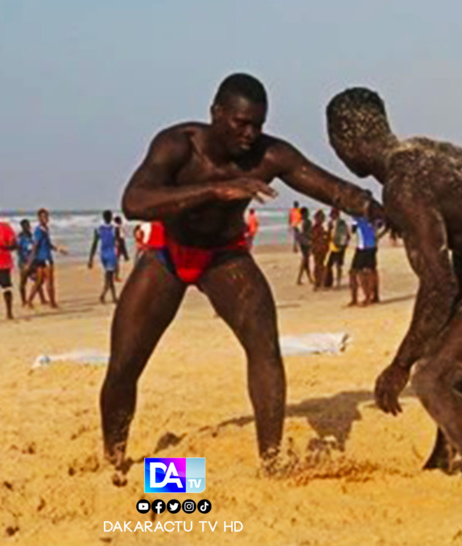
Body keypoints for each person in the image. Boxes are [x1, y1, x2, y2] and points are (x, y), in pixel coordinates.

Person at [101, 73, 383, 486]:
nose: (250, 134)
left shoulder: (270, 156)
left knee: (265, 347)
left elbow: (330, 188)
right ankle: (113, 458)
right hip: (167, 253)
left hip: (224, 258)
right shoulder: (178, 144)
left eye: (258, 124)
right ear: (216, 113)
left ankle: (271, 461)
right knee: (125, 364)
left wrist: (377, 207)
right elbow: (134, 202)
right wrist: (216, 190)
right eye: (240, 123)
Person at [327, 86, 462, 471]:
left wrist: (399, 365)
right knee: (444, 355)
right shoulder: (425, 151)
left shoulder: (403, 187)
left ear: (346, 139)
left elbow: (439, 285)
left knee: (431, 378)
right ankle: (443, 454)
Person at [26, 208, 67, 309]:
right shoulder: (39, 231)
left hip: (43, 257)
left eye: (47, 216)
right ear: (39, 218)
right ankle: (52, 303)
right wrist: (30, 262)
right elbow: (35, 246)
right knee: (49, 281)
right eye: (43, 217)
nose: (46, 219)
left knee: (39, 281)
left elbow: (47, 244)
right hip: (45, 259)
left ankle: (29, 301)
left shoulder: (45, 229)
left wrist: (58, 249)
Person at [88, 210, 118, 304]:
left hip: (103, 254)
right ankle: (103, 296)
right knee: (109, 276)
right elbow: (119, 243)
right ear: (111, 217)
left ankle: (113, 297)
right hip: (110, 254)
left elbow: (94, 244)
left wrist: (91, 258)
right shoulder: (114, 229)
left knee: (108, 276)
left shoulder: (99, 229)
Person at [348, 215, 379, 306]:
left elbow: (353, 230)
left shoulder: (357, 218)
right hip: (369, 246)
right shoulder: (373, 216)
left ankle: (366, 297)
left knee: (361, 273)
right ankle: (371, 296)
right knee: (369, 272)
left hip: (363, 247)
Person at [16, 219, 47, 306]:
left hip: (33, 262)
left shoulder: (32, 236)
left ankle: (42, 299)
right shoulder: (20, 237)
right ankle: (23, 301)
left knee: (39, 280)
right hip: (24, 263)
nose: (27, 227)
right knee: (23, 282)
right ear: (22, 227)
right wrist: (24, 263)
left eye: (28, 225)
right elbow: (18, 251)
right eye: (25, 226)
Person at [323, 207, 350, 288]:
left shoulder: (341, 223)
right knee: (329, 265)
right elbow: (329, 234)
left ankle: (338, 281)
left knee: (338, 265)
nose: (332, 216)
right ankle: (329, 281)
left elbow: (346, 234)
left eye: (333, 214)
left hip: (339, 246)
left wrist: (344, 244)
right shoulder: (331, 223)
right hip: (332, 246)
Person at [310, 209, 329, 290]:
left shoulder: (319, 227)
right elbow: (313, 238)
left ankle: (319, 282)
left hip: (321, 248)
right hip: (319, 248)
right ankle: (318, 282)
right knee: (318, 265)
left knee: (319, 265)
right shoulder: (317, 228)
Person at [296, 207, 313, 285]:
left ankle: (308, 278)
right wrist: (311, 238)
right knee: (305, 260)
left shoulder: (300, 222)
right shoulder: (306, 222)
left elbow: (298, 234)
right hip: (306, 242)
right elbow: (305, 232)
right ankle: (300, 278)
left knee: (306, 260)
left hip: (302, 242)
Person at [113, 215, 130, 281]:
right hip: (119, 245)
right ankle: (116, 276)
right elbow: (119, 239)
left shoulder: (118, 228)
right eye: (120, 220)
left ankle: (116, 276)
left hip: (119, 245)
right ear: (119, 221)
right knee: (117, 261)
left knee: (117, 261)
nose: (121, 221)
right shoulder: (117, 228)